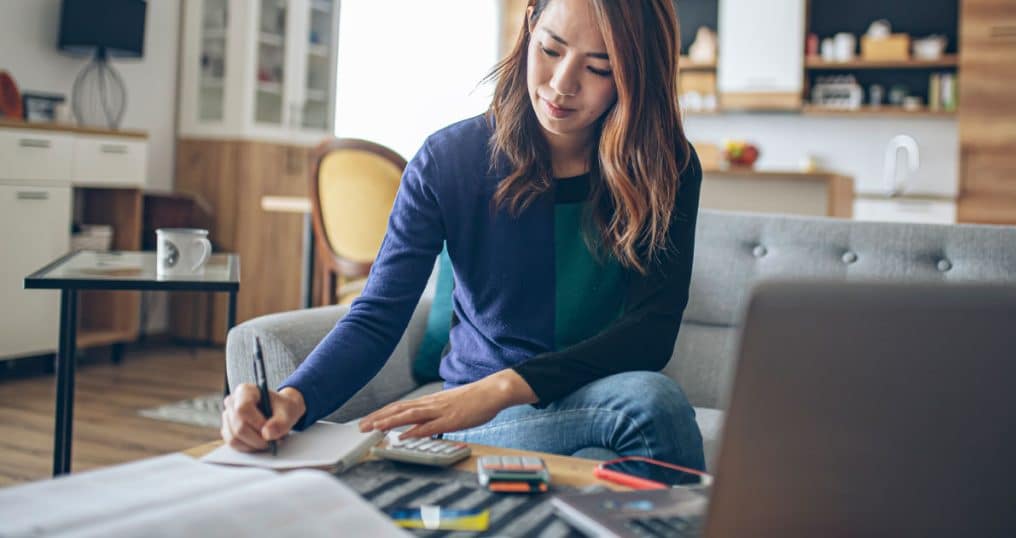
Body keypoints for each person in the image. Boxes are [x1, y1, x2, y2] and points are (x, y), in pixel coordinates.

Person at [222, 0, 705, 470]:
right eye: (551, 49)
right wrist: (291, 399)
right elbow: (377, 317)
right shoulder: (449, 160)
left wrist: (502, 386)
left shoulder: (667, 167)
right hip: (483, 417)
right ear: (530, 24)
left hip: (572, 394)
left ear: (633, 73)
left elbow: (651, 330)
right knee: (648, 407)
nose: (561, 85)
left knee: (627, 428)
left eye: (598, 68)